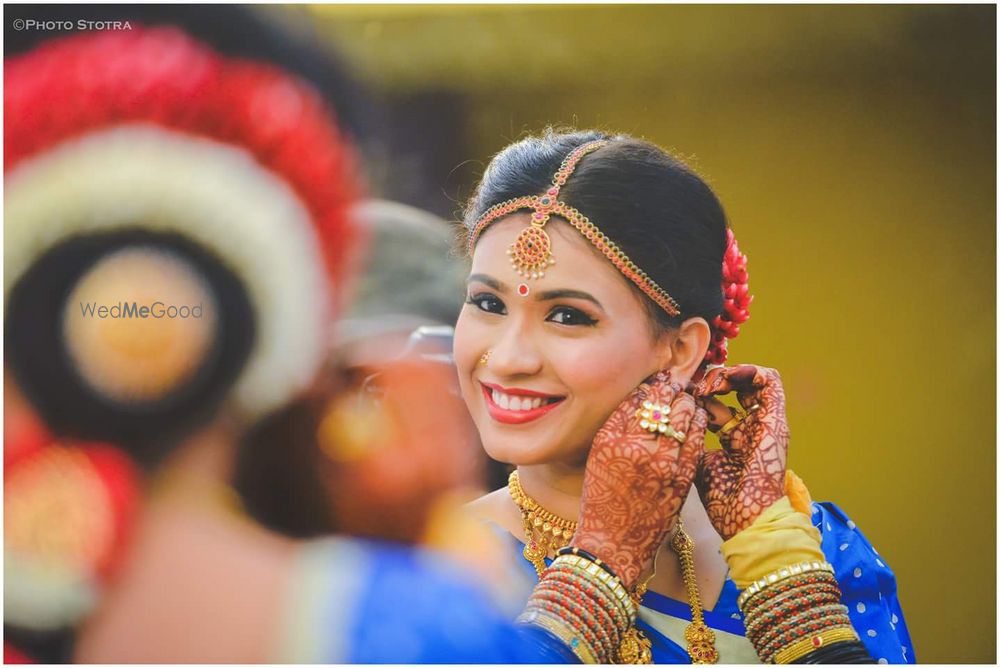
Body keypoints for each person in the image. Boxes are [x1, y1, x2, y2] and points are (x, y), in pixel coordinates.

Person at [456, 129, 915, 663]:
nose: (509, 358)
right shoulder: (423, 567)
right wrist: (602, 566)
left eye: (567, 316)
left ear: (679, 349)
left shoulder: (813, 552)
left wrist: (776, 568)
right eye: (487, 303)